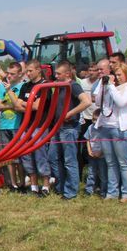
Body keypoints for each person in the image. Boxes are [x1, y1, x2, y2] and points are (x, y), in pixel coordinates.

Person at [94, 63, 127, 202]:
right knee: (111, 162)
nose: (117, 77)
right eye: (116, 75)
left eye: (120, 75)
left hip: (122, 129)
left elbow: (121, 102)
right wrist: (103, 86)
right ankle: (112, 193)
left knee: (124, 163)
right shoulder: (109, 86)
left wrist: (111, 86)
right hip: (106, 127)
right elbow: (97, 102)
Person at [49, 61, 92, 200]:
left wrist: (69, 114)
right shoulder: (60, 86)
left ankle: (70, 192)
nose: (55, 75)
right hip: (57, 127)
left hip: (69, 128)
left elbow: (86, 101)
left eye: (58, 73)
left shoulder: (73, 86)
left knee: (69, 161)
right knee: (53, 158)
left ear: (67, 74)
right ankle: (61, 186)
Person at [14, 60, 52, 197]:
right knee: (26, 155)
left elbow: (38, 106)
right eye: (27, 71)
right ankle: (34, 186)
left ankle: (46, 186)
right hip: (26, 126)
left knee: (40, 155)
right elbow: (17, 106)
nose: (28, 73)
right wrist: (29, 104)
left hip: (39, 126)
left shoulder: (44, 86)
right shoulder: (25, 86)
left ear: (38, 70)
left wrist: (25, 104)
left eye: (30, 71)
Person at [0, 62, 25, 191]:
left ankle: (22, 183)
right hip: (4, 125)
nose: (9, 76)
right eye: (8, 73)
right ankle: (13, 183)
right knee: (9, 157)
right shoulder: (1, 87)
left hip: (17, 125)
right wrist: (11, 105)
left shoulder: (23, 86)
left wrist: (8, 102)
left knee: (20, 156)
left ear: (20, 74)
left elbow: (19, 107)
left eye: (12, 74)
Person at [83, 109, 106, 198]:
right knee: (91, 173)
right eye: (93, 119)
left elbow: (105, 143)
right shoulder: (90, 127)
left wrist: (100, 153)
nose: (94, 122)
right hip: (92, 155)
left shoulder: (104, 130)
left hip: (102, 156)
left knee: (103, 174)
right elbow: (88, 140)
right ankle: (89, 190)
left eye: (97, 120)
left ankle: (103, 191)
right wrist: (89, 151)